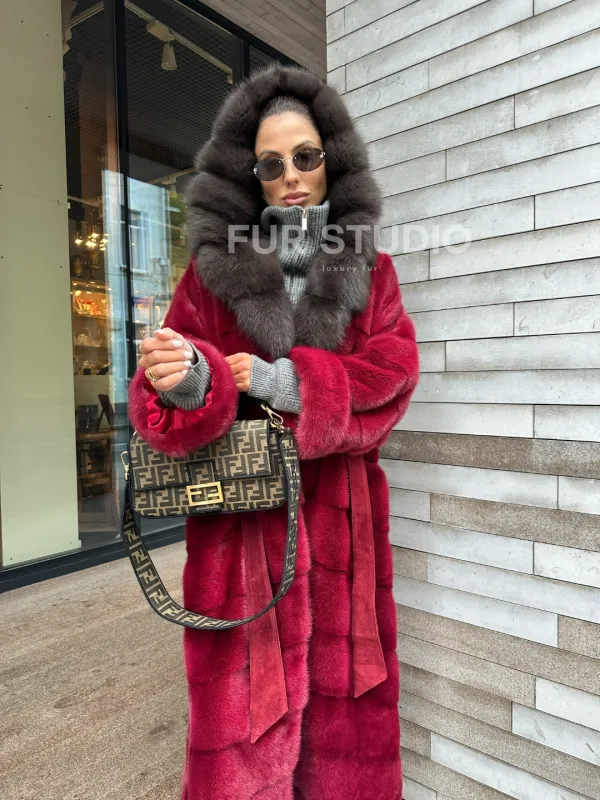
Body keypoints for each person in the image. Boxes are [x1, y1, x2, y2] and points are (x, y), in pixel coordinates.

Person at [129, 64, 419, 800]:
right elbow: (158, 399)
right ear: (249, 176)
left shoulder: (372, 272)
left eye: (305, 156)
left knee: (344, 745)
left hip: (343, 530)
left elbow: (393, 376)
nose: (290, 176)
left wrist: (285, 383)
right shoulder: (208, 276)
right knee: (242, 739)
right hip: (241, 535)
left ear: (332, 161)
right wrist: (187, 379)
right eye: (270, 163)